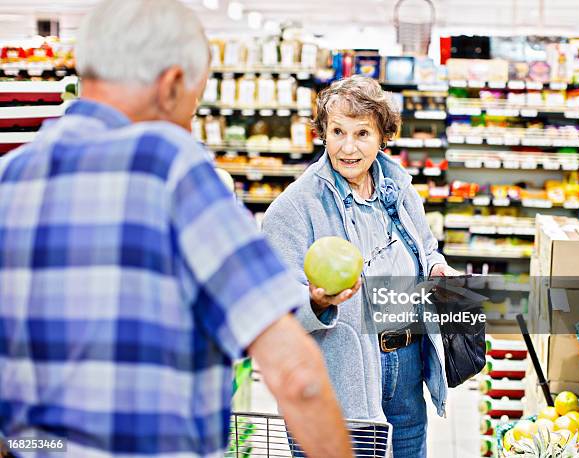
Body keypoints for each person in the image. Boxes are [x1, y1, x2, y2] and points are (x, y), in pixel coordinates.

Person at [0, 1, 355, 457]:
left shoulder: (11, 178)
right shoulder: (169, 166)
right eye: (193, 101)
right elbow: (295, 373)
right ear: (170, 85)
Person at [263, 75, 460, 458]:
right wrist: (316, 302)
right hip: (341, 378)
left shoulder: (399, 191)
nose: (347, 147)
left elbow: (428, 250)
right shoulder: (294, 209)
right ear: (323, 133)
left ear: (382, 137)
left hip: (406, 367)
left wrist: (437, 271)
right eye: (337, 131)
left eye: (362, 133)